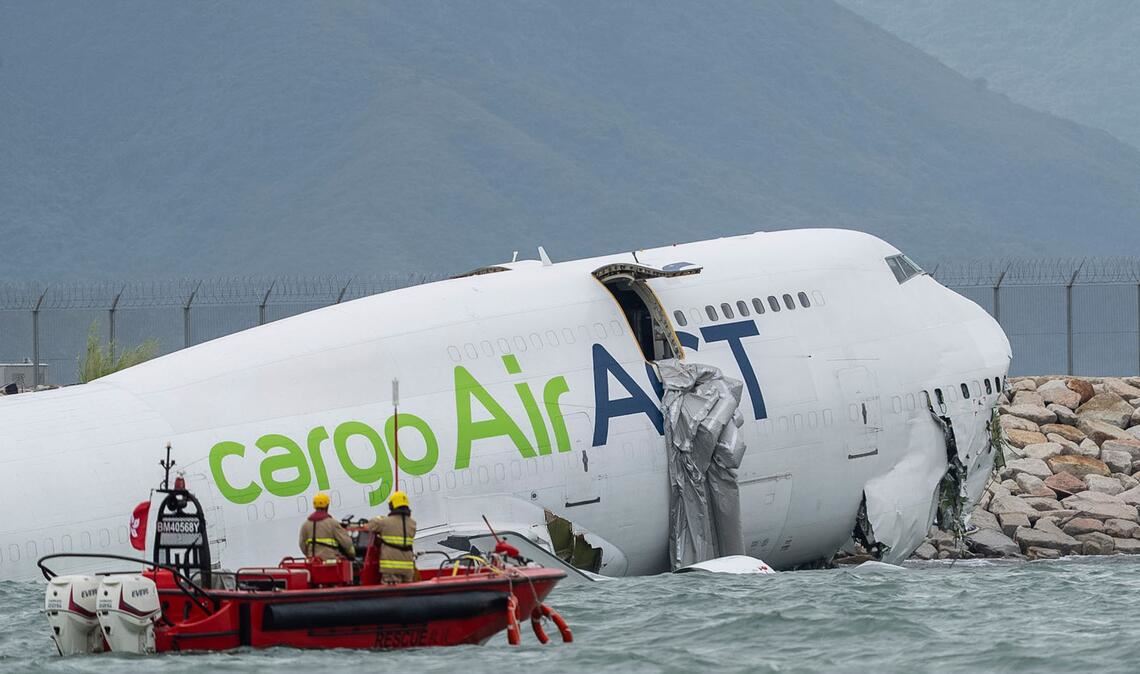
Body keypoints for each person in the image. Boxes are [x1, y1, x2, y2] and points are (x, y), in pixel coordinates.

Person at [367, 491, 416, 583]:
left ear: (391, 506)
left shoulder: (384, 522)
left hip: (391, 568)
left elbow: (370, 525)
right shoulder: (412, 524)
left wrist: (379, 517)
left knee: (393, 595)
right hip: (408, 568)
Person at [298, 492, 356, 561]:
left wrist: (310, 556)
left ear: (314, 506)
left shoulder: (305, 525)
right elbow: (347, 543)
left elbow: (302, 545)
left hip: (312, 562)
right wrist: (352, 555)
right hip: (331, 563)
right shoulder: (332, 523)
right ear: (327, 506)